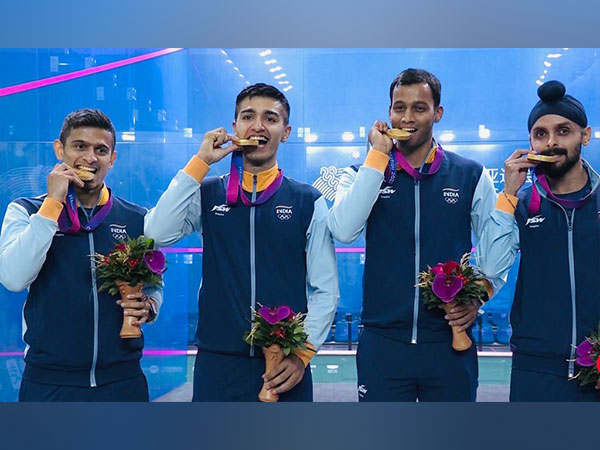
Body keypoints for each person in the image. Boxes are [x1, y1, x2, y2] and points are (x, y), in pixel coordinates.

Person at [144, 83, 339, 401]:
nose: (258, 125)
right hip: (217, 363)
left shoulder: (307, 200)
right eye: (248, 116)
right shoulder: (207, 193)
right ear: (235, 128)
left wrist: (302, 354)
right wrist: (200, 162)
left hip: (286, 365)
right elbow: (155, 232)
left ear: (285, 131)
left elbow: (325, 288)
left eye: (271, 118)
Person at [327, 69, 501, 401]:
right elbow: (344, 230)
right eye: (398, 107)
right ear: (388, 111)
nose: (407, 117)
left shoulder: (470, 175)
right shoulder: (363, 174)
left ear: (438, 113)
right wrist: (376, 159)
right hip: (383, 343)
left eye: (419, 108)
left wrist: (480, 296)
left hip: (449, 341)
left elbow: (497, 246)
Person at [0, 109, 162, 401]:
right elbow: (13, 277)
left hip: (123, 381)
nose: (90, 157)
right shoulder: (26, 211)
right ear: (59, 150)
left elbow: (153, 283)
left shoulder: (137, 219)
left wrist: (149, 306)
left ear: (112, 159)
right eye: (79, 146)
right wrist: (52, 205)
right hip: (49, 382)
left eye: (101, 150)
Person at [479, 80, 600, 401]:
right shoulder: (520, 203)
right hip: (536, 367)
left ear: (584, 135)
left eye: (563, 131)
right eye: (541, 134)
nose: (551, 143)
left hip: (598, 362)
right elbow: (489, 266)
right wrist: (507, 195)